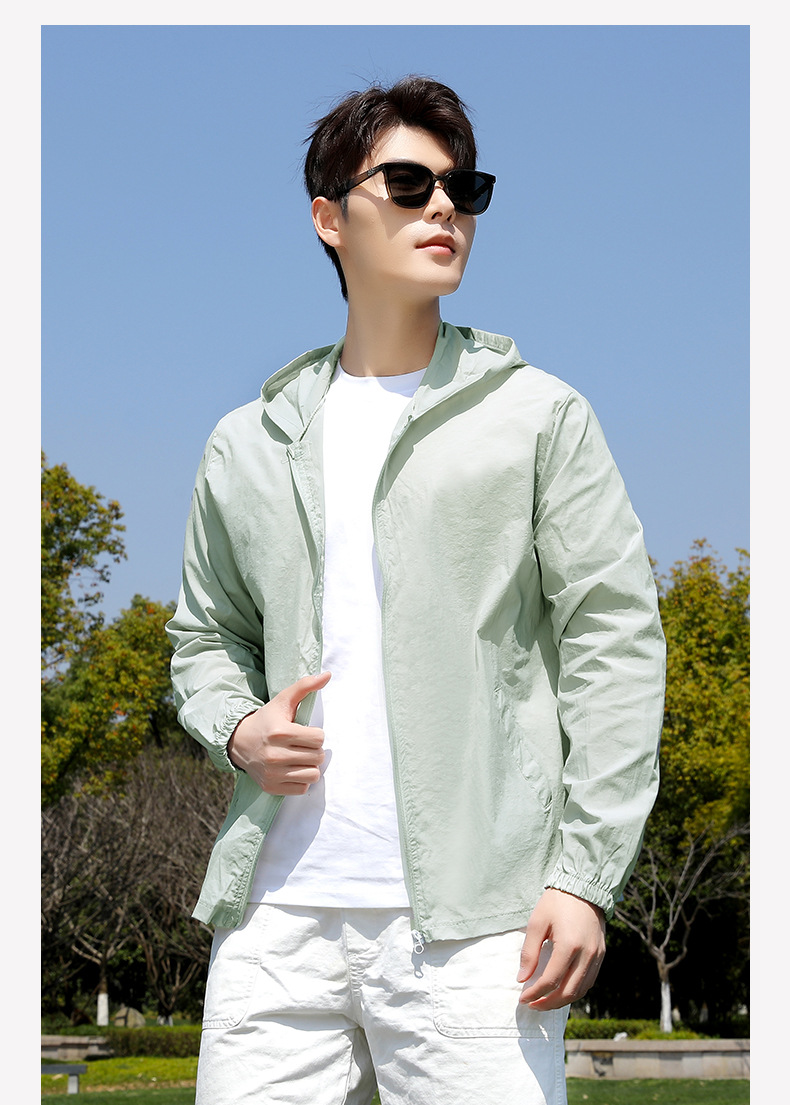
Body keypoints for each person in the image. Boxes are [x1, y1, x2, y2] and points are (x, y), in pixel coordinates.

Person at [166, 75, 665, 1105]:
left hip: (477, 927)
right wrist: (237, 729)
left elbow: (613, 646)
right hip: (274, 921)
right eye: (406, 183)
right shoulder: (247, 441)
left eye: (461, 188)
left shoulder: (538, 417)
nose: (442, 206)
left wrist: (582, 876)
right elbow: (205, 636)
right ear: (328, 218)